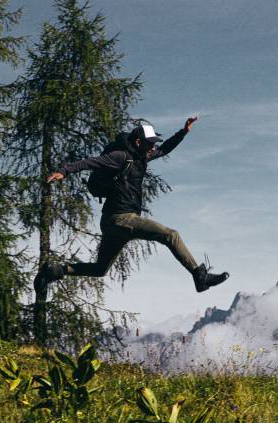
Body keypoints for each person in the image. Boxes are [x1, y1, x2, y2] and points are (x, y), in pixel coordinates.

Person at [34, 117, 229, 294]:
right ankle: (199, 276)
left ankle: (55, 270)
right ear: (138, 142)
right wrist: (64, 171)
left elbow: (165, 148)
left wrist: (183, 132)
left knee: (100, 269)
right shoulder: (120, 157)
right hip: (121, 219)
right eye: (150, 144)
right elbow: (90, 162)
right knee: (171, 235)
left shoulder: (143, 156)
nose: (153, 148)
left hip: (113, 223)